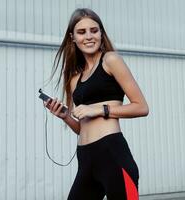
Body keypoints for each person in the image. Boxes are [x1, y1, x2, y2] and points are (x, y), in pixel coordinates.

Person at [44, 8, 149, 200]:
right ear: (72, 38)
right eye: (82, 32)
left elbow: (142, 107)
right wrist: (65, 115)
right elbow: (82, 128)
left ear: (101, 33)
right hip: (86, 158)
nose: (89, 36)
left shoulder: (111, 60)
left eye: (94, 30)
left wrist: (99, 109)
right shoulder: (75, 78)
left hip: (112, 154)